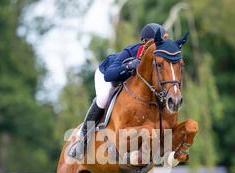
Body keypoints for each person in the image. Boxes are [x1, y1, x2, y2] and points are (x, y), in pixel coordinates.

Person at [68, 23, 167, 161]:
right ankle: (82, 139)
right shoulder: (130, 52)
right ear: (145, 42)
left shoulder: (158, 59)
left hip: (128, 83)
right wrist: (128, 66)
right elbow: (110, 75)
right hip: (106, 74)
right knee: (103, 98)